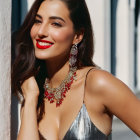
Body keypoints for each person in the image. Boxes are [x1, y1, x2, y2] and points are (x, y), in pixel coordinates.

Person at [11, 0, 140, 139]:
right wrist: (30, 98)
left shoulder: (98, 83)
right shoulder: (34, 92)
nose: (41, 32)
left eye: (56, 24)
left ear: (77, 36)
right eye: (37, 21)